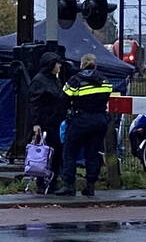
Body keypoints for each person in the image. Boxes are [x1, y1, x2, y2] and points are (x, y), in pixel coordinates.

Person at [56, 53, 113, 196]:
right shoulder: (105, 81)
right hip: (100, 120)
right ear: (95, 64)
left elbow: (63, 99)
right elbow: (107, 97)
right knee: (92, 153)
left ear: (81, 65)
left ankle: (69, 185)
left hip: (80, 120)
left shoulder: (75, 80)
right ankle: (90, 186)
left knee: (69, 152)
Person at [28, 52, 68, 193]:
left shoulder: (55, 80)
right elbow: (34, 103)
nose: (60, 66)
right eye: (57, 63)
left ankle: (53, 180)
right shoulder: (40, 80)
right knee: (44, 153)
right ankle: (41, 182)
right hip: (46, 122)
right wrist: (36, 123)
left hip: (56, 121)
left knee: (56, 153)